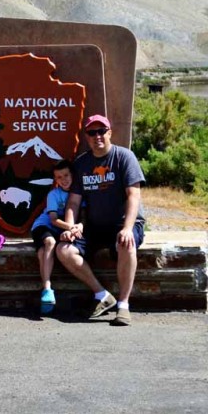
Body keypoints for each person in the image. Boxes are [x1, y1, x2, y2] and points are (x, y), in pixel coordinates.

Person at [56, 114, 145, 326]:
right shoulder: (82, 164)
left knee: (127, 243)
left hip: (122, 223)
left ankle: (123, 305)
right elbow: (74, 203)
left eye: (101, 131)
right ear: (87, 136)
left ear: (110, 133)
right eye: (92, 132)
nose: (97, 136)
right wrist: (70, 227)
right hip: (95, 225)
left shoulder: (124, 157)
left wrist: (127, 228)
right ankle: (102, 294)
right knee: (63, 250)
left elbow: (134, 195)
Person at [30, 159, 83, 315]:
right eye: (59, 177)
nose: (64, 180)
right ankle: (47, 287)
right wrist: (72, 227)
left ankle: (46, 299)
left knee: (42, 253)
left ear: (72, 175)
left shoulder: (79, 194)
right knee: (50, 242)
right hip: (44, 227)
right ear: (55, 180)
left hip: (62, 229)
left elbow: (84, 215)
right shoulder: (54, 194)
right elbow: (53, 219)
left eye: (66, 175)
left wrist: (79, 226)